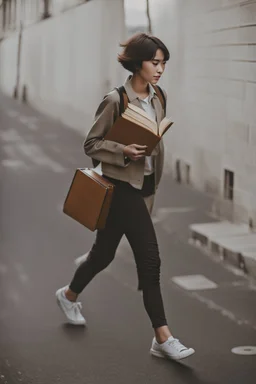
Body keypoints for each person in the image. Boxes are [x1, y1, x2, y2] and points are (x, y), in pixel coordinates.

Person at [56, 33, 195, 361]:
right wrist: (123, 150)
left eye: (164, 63)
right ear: (137, 63)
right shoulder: (115, 100)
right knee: (150, 260)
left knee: (103, 254)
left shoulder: (159, 95)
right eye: (155, 62)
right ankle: (162, 337)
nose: (160, 69)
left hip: (145, 188)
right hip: (120, 189)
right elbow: (90, 144)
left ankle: (68, 294)